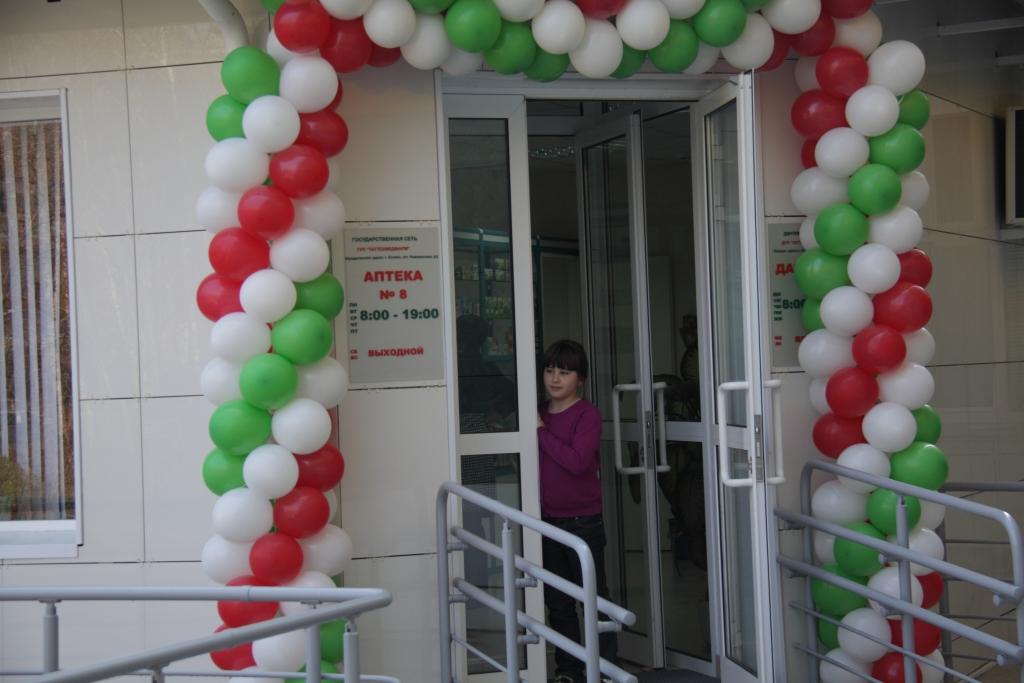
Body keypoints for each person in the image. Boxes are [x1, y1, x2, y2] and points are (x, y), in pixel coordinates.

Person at [536, 339, 616, 683]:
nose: (555, 379)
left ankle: (606, 670)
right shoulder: (538, 411)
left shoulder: (587, 415)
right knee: (558, 602)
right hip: (547, 521)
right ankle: (568, 671)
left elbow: (576, 461)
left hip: (583, 522)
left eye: (565, 373)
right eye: (550, 370)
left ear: (580, 379)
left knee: (593, 600)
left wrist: (540, 433)